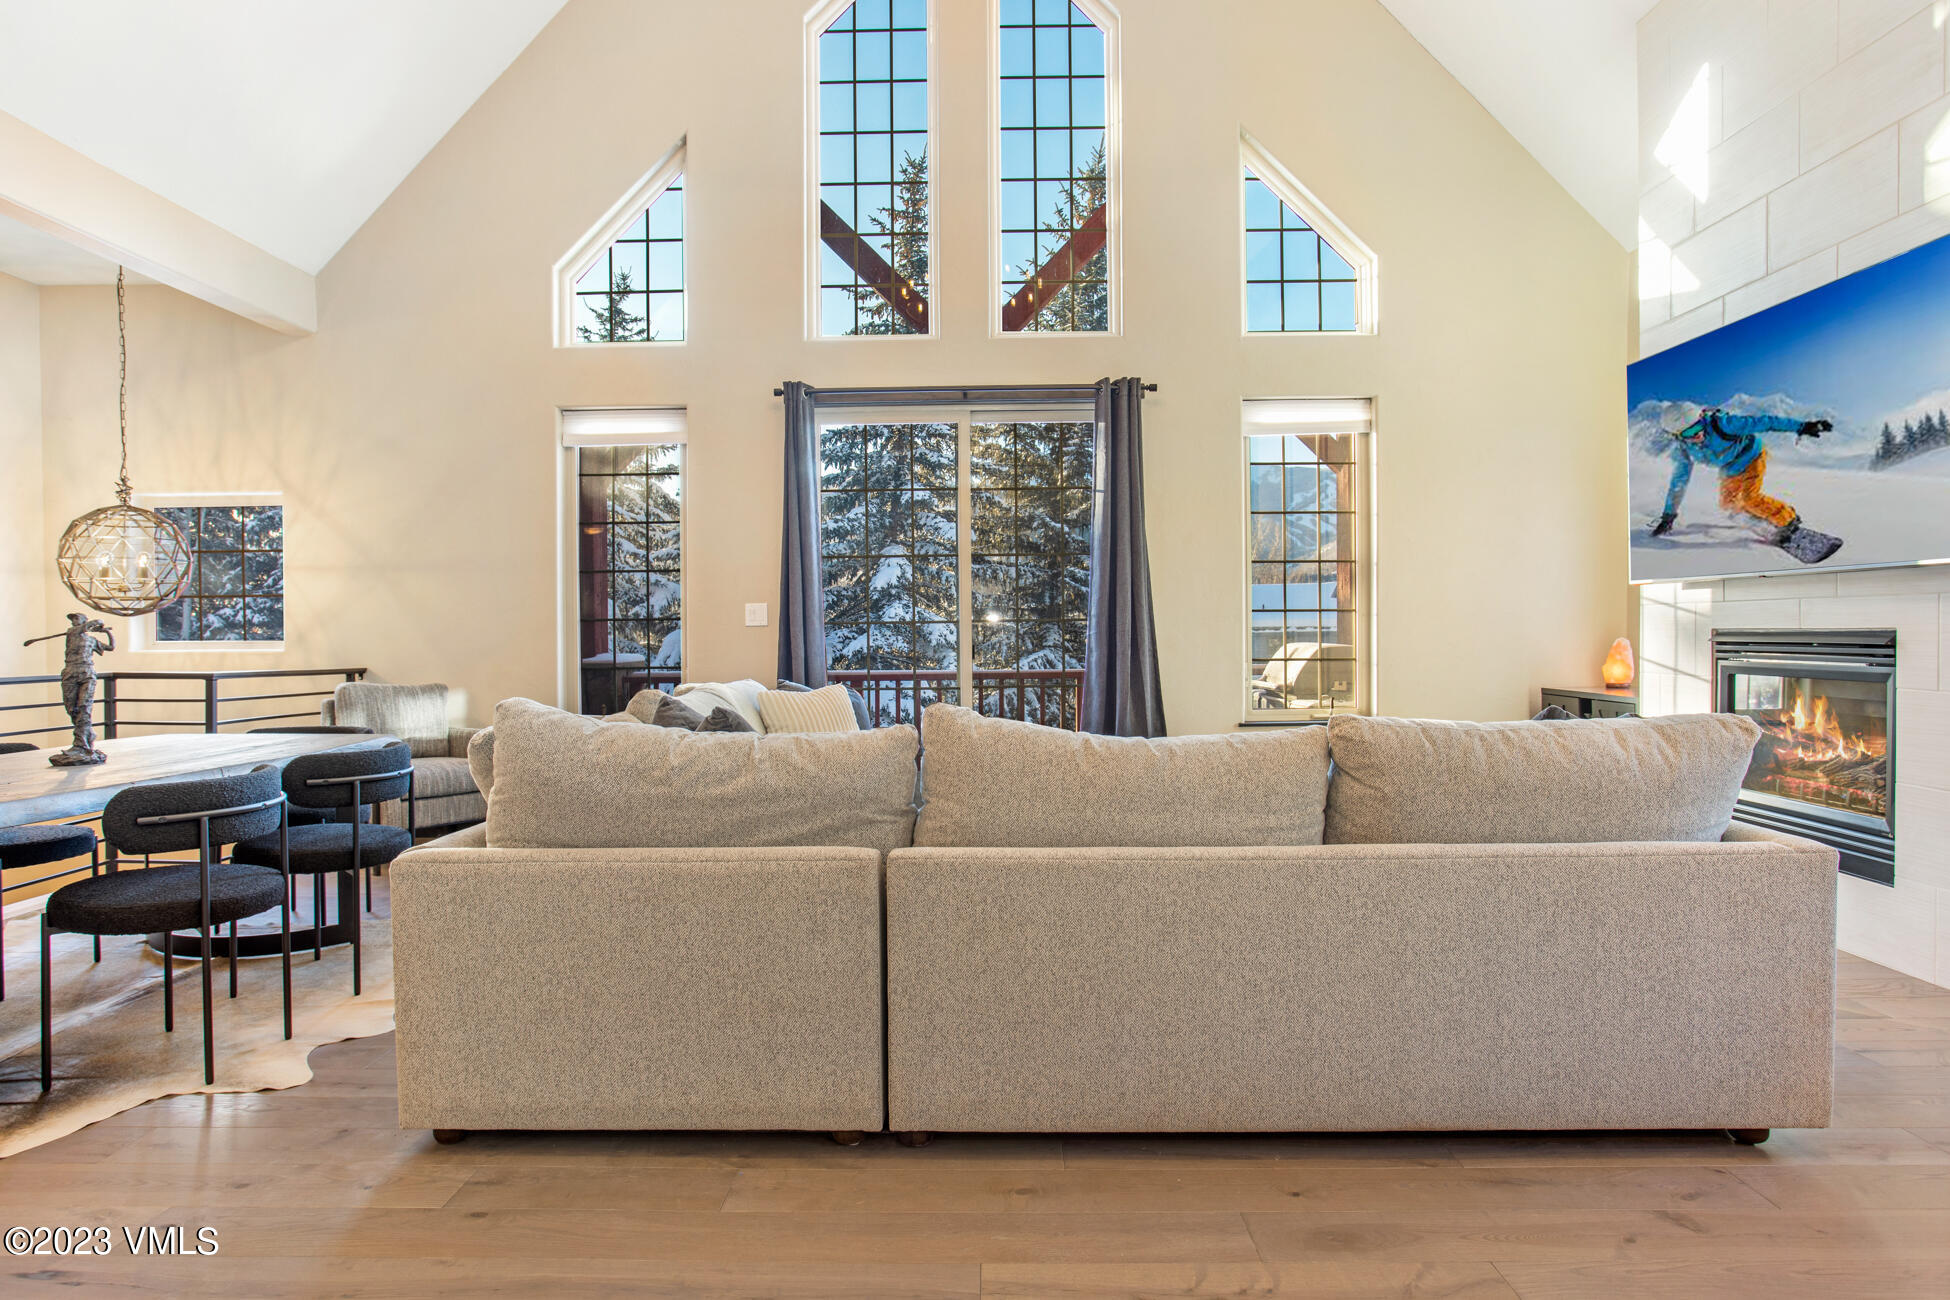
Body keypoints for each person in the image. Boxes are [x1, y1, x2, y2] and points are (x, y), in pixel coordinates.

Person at [1651, 406, 1832, 551]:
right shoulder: (1684, 450)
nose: (1696, 434)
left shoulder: (1724, 425)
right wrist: (1669, 515)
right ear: (1678, 436)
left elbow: (1765, 422)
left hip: (1751, 457)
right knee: (1728, 505)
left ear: (1701, 419)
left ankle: (1788, 521)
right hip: (1730, 468)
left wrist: (1802, 426)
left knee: (1749, 498)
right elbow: (1679, 482)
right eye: (1688, 433)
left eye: (1697, 427)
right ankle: (1758, 515)